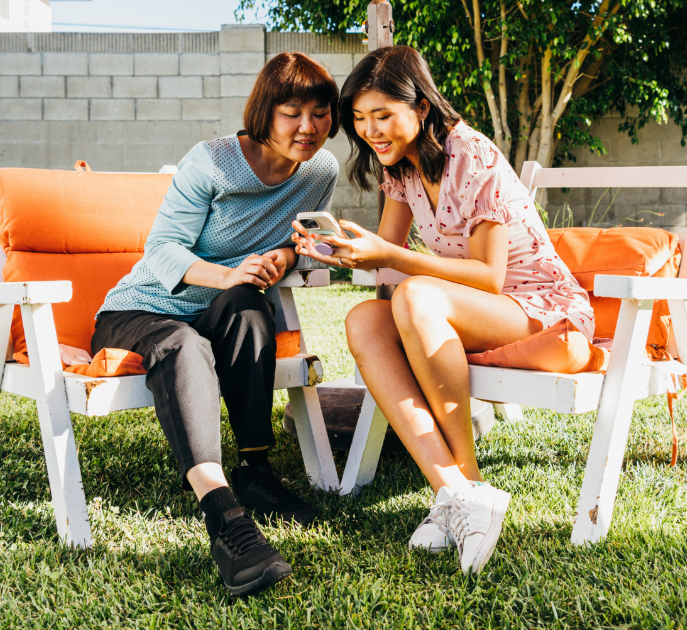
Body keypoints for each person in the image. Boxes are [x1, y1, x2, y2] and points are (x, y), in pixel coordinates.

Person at [292, 46, 596, 575]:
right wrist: (340, 251)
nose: (371, 131)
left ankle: (470, 481)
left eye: (383, 115)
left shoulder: (471, 155)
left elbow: (488, 278)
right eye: (360, 119)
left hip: (537, 307)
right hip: (467, 310)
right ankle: (454, 492)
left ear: (422, 108)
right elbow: (385, 266)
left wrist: (391, 257)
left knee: (416, 294)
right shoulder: (402, 170)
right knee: (362, 317)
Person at [94, 52, 340, 596]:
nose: (308, 127)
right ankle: (225, 515)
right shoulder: (210, 162)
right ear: (264, 111)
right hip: (142, 310)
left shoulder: (321, 170)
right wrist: (228, 274)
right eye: (292, 112)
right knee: (184, 341)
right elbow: (160, 251)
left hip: (221, 308)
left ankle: (256, 472)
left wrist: (287, 258)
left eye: (320, 113)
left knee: (254, 310)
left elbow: (301, 239)